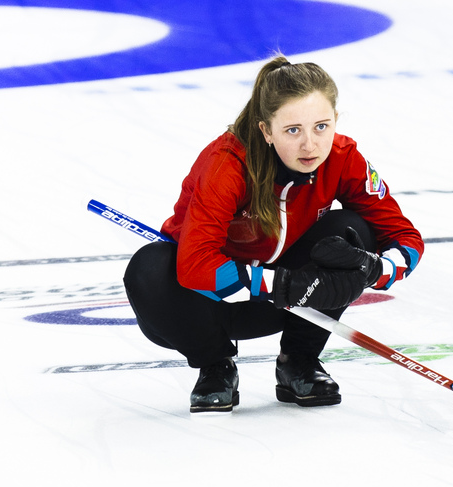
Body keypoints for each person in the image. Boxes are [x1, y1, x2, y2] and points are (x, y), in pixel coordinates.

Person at [124, 55, 424, 412]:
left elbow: (405, 237)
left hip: (289, 303)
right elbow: (195, 265)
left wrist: (375, 269)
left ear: (335, 120)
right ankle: (215, 366)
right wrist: (282, 284)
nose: (310, 145)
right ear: (266, 131)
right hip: (206, 306)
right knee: (149, 267)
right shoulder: (227, 163)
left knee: (351, 230)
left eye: (321, 126)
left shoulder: (343, 157)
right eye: (293, 130)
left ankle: (299, 361)